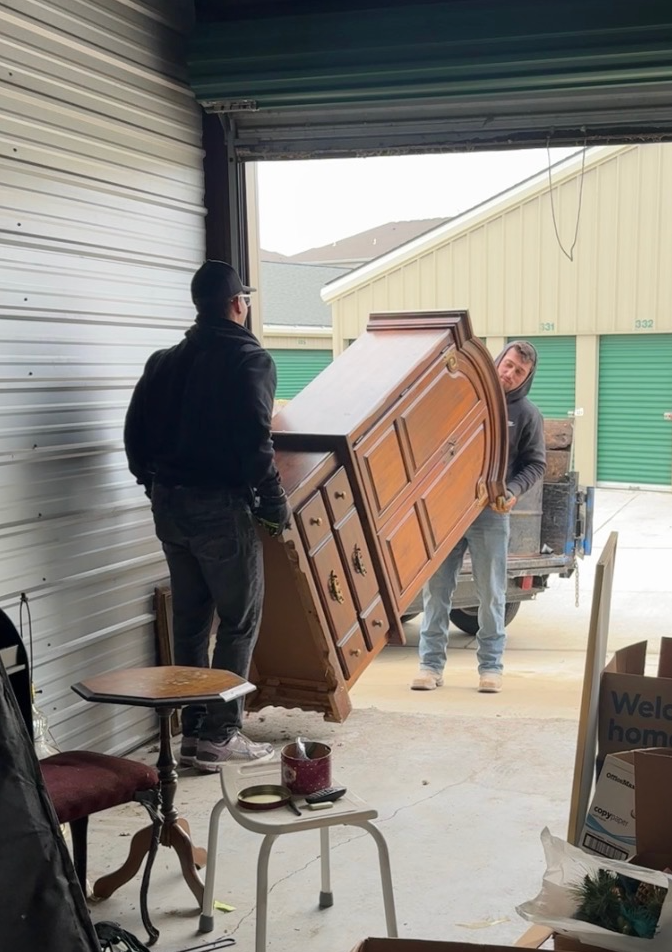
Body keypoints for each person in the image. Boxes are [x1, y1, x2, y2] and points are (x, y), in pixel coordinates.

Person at [124, 260, 291, 771]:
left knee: (192, 621)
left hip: (170, 507)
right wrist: (273, 500)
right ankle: (221, 733)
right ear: (237, 304)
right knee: (239, 620)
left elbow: (134, 437)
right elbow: (255, 440)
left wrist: (154, 485)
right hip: (220, 507)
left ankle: (194, 733)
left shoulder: (162, 362)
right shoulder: (249, 360)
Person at [411, 340, 546, 694]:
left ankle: (491, 668)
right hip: (448, 510)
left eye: (519, 371)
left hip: (491, 513)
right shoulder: (465, 396)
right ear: (498, 360)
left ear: (527, 377)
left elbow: (535, 464)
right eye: (508, 364)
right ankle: (430, 666)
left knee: (491, 594)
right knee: (436, 591)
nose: (510, 373)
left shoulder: (527, 415)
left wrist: (513, 490)